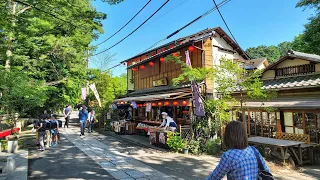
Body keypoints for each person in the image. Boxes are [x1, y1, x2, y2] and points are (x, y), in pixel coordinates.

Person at [206, 121, 270, 180]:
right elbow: (266, 171)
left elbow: (215, 177)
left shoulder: (228, 156)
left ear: (228, 136)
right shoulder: (254, 151)